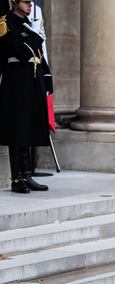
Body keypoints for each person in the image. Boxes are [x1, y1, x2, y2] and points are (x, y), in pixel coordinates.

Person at [0, 0, 52, 193]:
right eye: (25, 2)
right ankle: (17, 178)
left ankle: (28, 175)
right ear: (15, 3)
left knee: (29, 126)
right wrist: (35, 34)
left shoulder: (29, 24)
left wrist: (47, 80)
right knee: (18, 128)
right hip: (17, 81)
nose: (30, 5)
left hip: (32, 79)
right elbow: (21, 53)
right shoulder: (5, 23)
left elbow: (39, 55)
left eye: (31, 2)